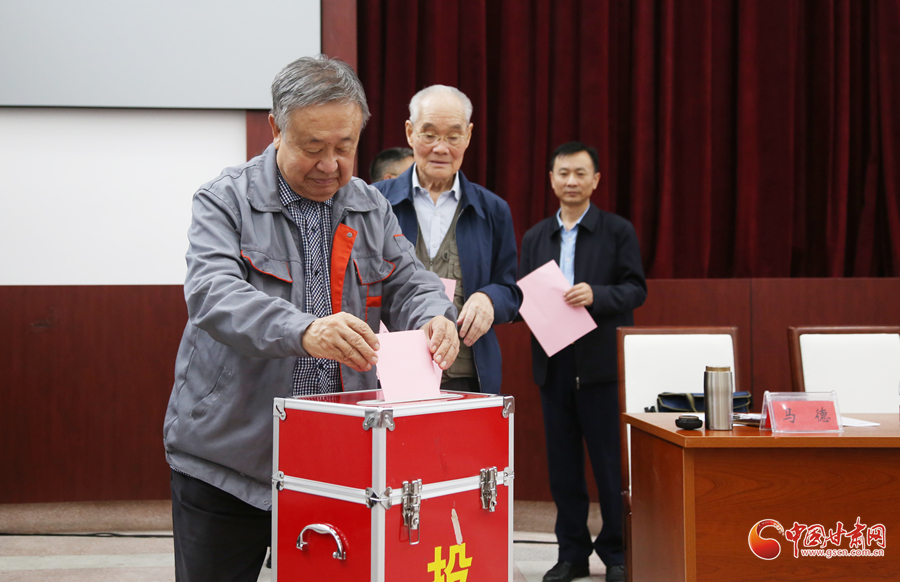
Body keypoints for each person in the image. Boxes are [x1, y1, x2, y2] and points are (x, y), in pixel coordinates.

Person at [163, 55, 459, 582]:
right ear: (276, 129)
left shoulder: (370, 207)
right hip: (230, 460)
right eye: (313, 147)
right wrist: (304, 329)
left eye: (345, 147)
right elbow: (213, 294)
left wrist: (436, 317)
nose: (330, 165)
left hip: (338, 461)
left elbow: (412, 283)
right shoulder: (225, 200)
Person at [518, 142, 647, 582]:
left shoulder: (617, 231)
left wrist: (597, 295)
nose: (571, 181)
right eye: (563, 173)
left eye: (580, 173)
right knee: (564, 470)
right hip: (554, 366)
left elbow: (636, 289)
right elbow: (524, 294)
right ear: (551, 180)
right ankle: (571, 554)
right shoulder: (536, 237)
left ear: (595, 180)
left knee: (611, 468)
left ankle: (617, 554)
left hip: (601, 368)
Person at [374, 85, 521, 395]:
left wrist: (490, 299)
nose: (441, 148)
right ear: (410, 132)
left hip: (468, 374)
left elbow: (510, 290)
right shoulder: (375, 202)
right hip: (388, 372)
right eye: (429, 135)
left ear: (468, 136)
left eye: (453, 136)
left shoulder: (492, 209)